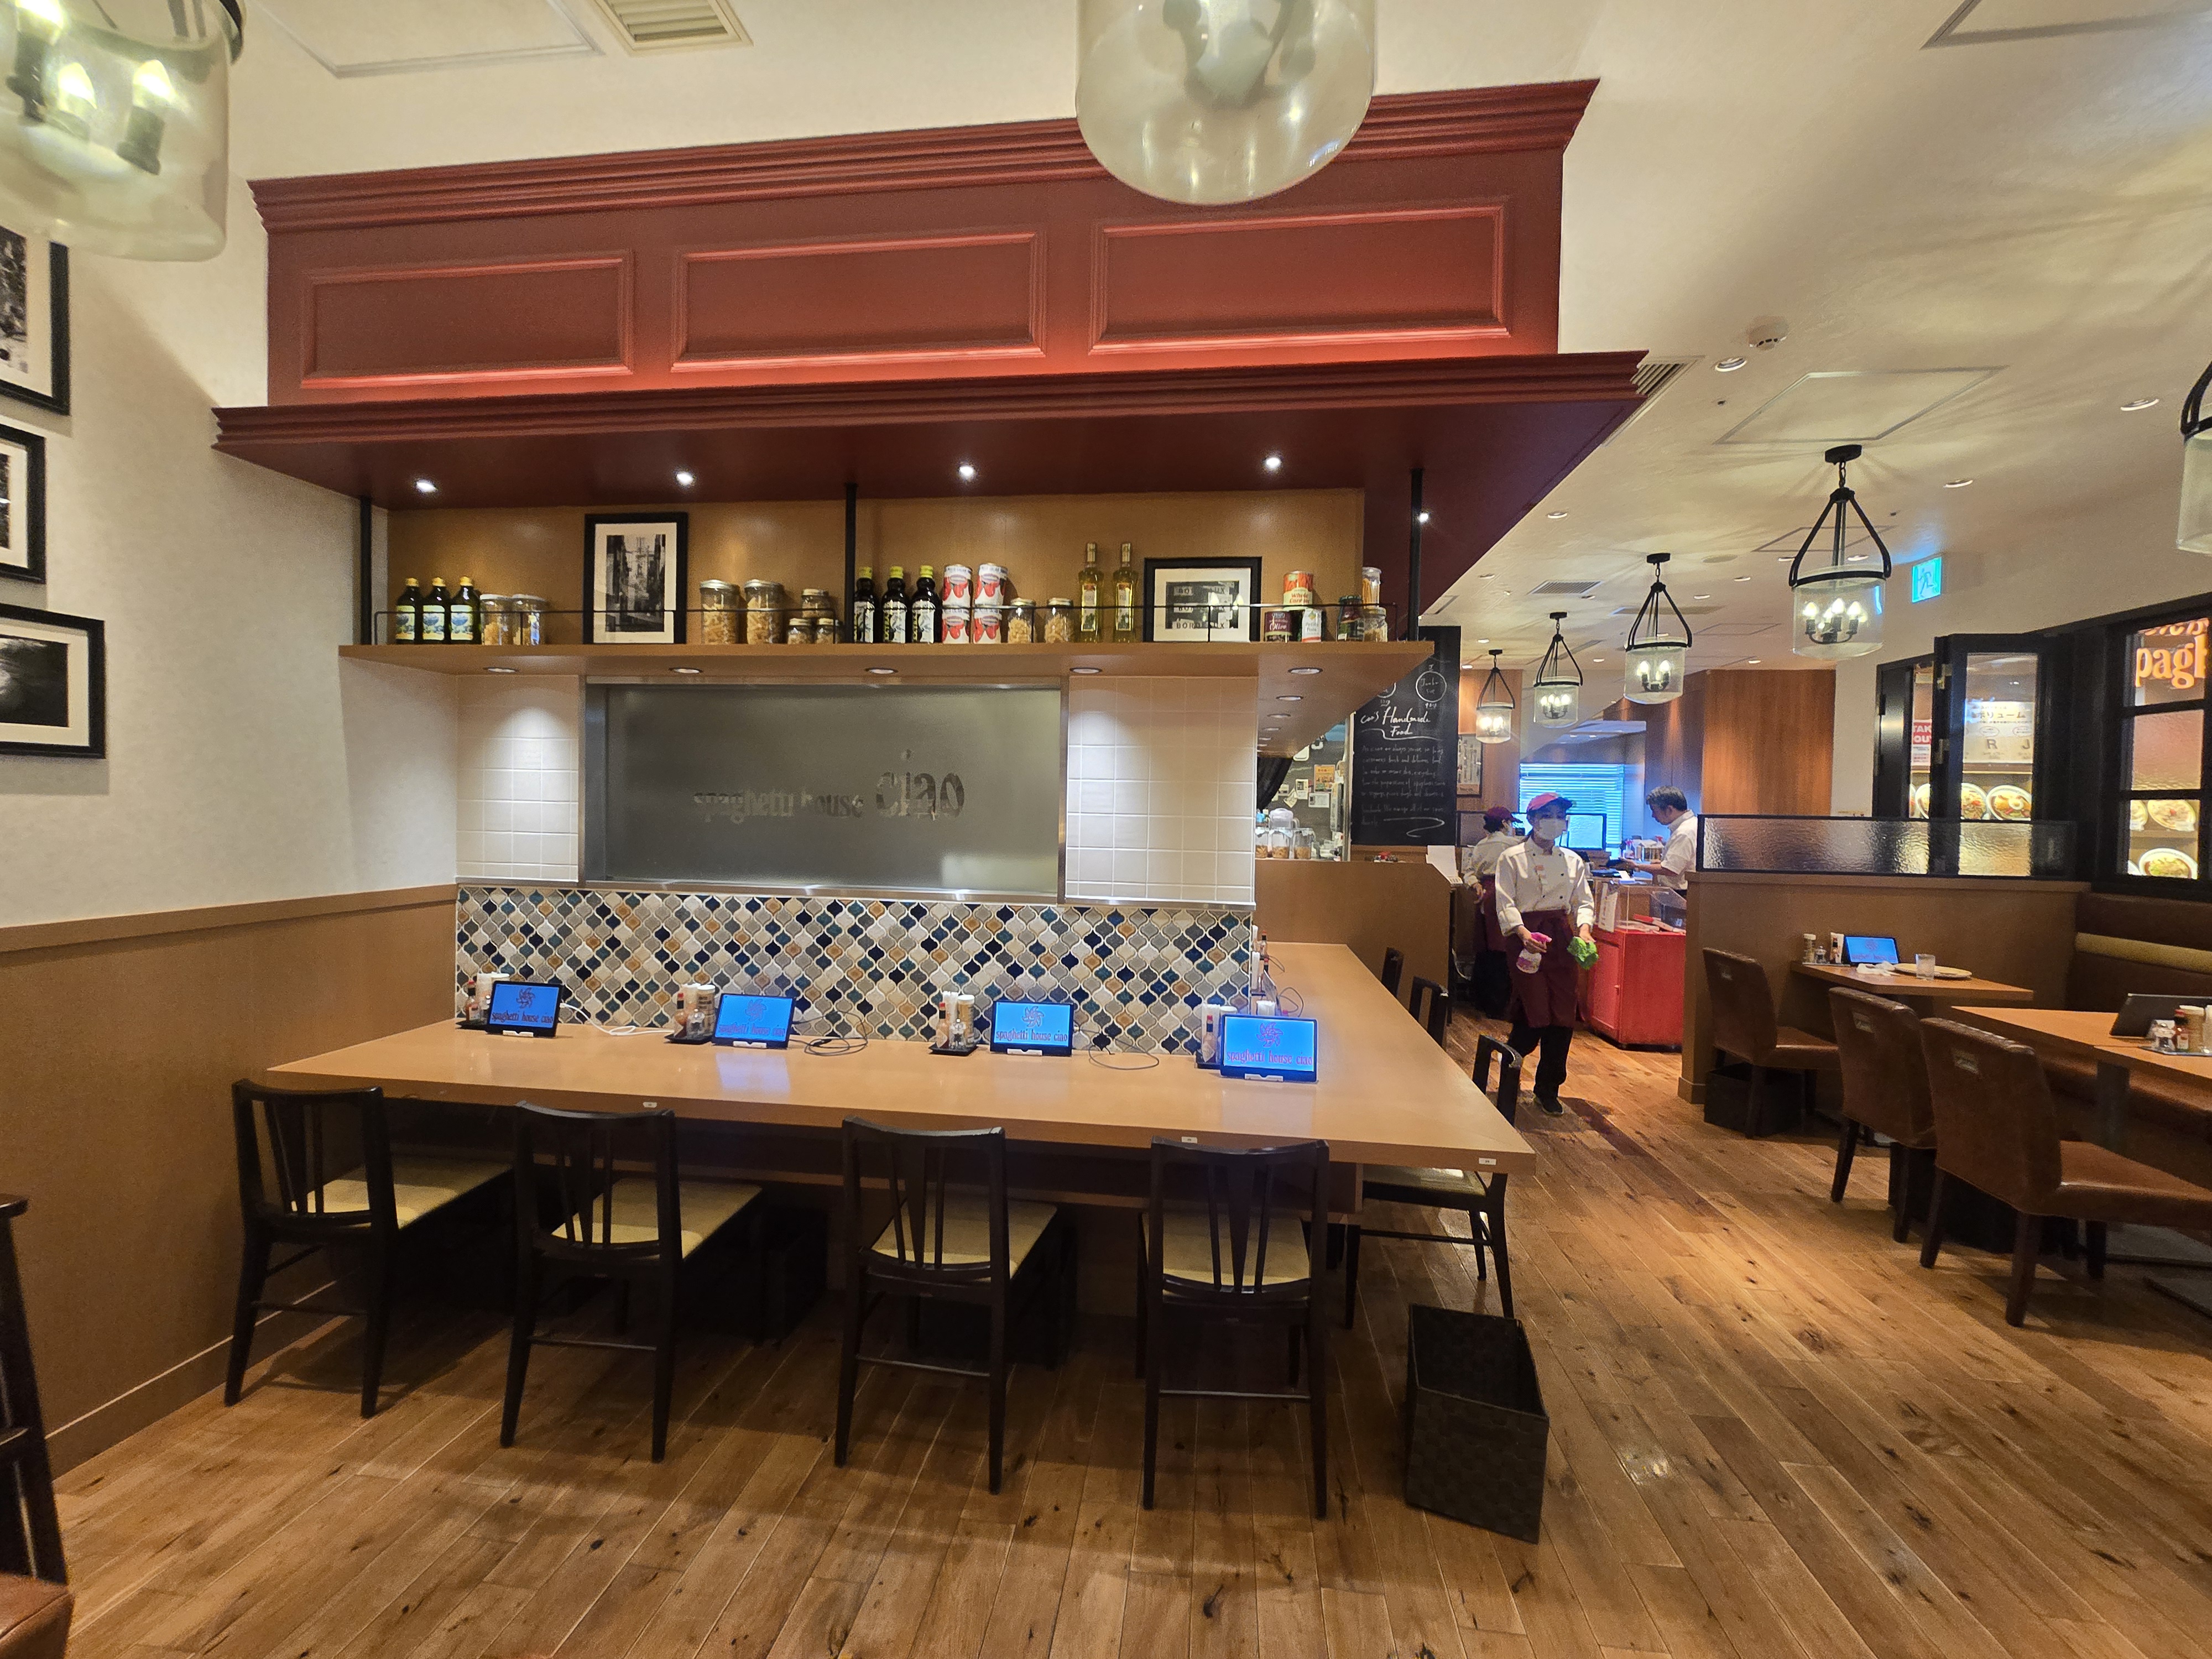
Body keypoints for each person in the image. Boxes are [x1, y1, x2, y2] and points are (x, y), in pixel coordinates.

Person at [1493, 791, 1595, 1115]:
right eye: (1547, 815)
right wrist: (1523, 934)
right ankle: (1508, 1071)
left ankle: (1549, 1089)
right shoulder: (1511, 858)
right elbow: (1505, 902)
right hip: (1525, 936)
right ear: (1532, 820)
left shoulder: (1573, 861)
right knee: (1535, 1012)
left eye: (1560, 816)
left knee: (1563, 1014)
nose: (1555, 822)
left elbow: (1583, 901)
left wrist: (1585, 931)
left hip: (1561, 939)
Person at [1464, 808, 1521, 1016]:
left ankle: (1481, 1000)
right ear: (1505, 823)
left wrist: (1476, 885)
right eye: (1510, 823)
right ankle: (1500, 1005)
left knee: (1485, 948)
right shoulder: (1513, 845)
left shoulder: (1481, 845)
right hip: (1506, 893)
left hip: (1486, 895)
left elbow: (1469, 872)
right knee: (1503, 949)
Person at [1636, 786, 1698, 892]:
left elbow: (1670, 870)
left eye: (1654, 810)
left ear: (1669, 809)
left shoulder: (1684, 832)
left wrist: (1637, 866)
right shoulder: (1691, 824)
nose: (1653, 815)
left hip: (1680, 893)